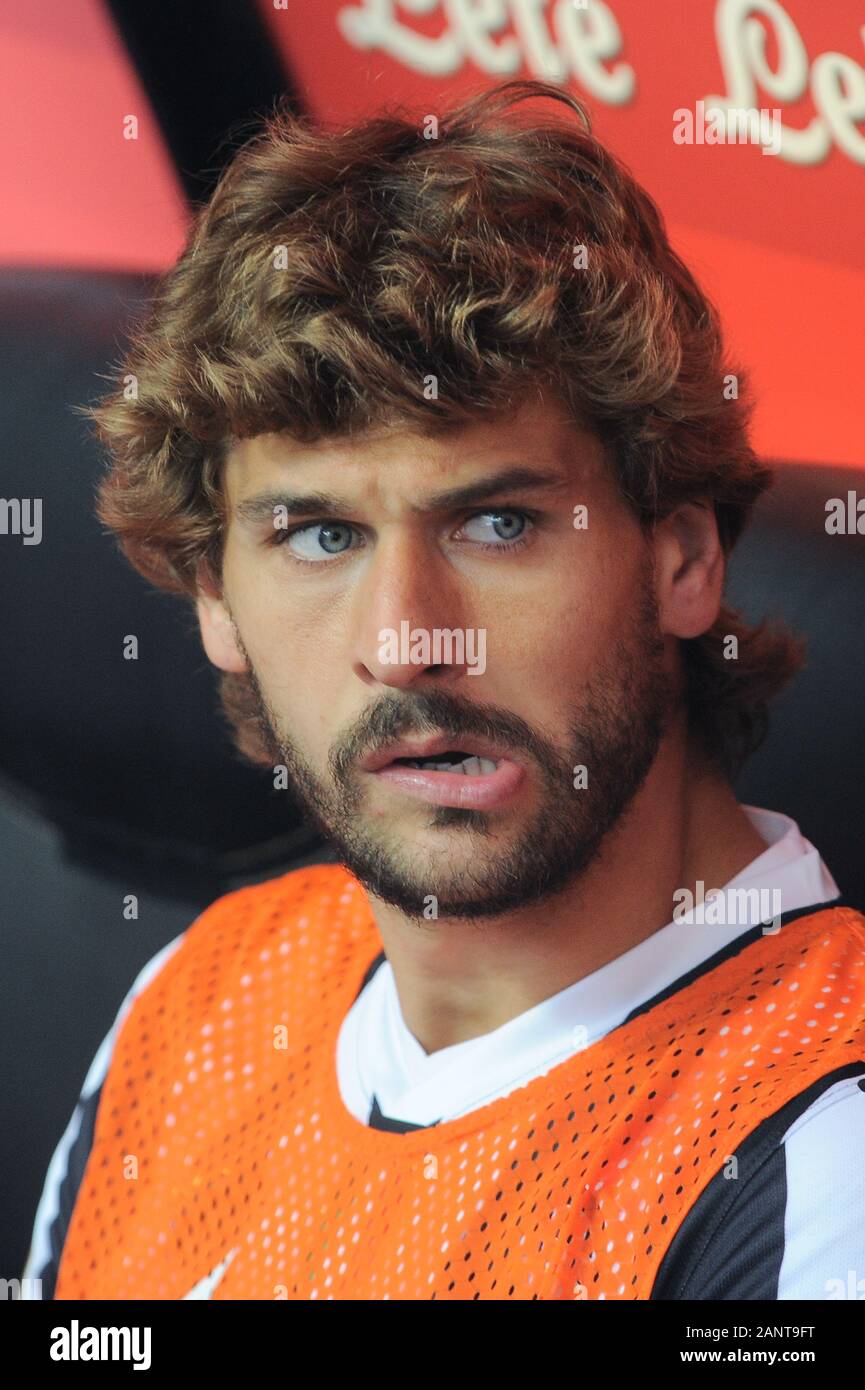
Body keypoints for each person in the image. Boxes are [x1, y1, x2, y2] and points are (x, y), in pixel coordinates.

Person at [23, 79, 865, 1301]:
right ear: (216, 600)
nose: (409, 640)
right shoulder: (206, 989)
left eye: (497, 523)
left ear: (682, 558)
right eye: (317, 536)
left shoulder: (817, 1154)